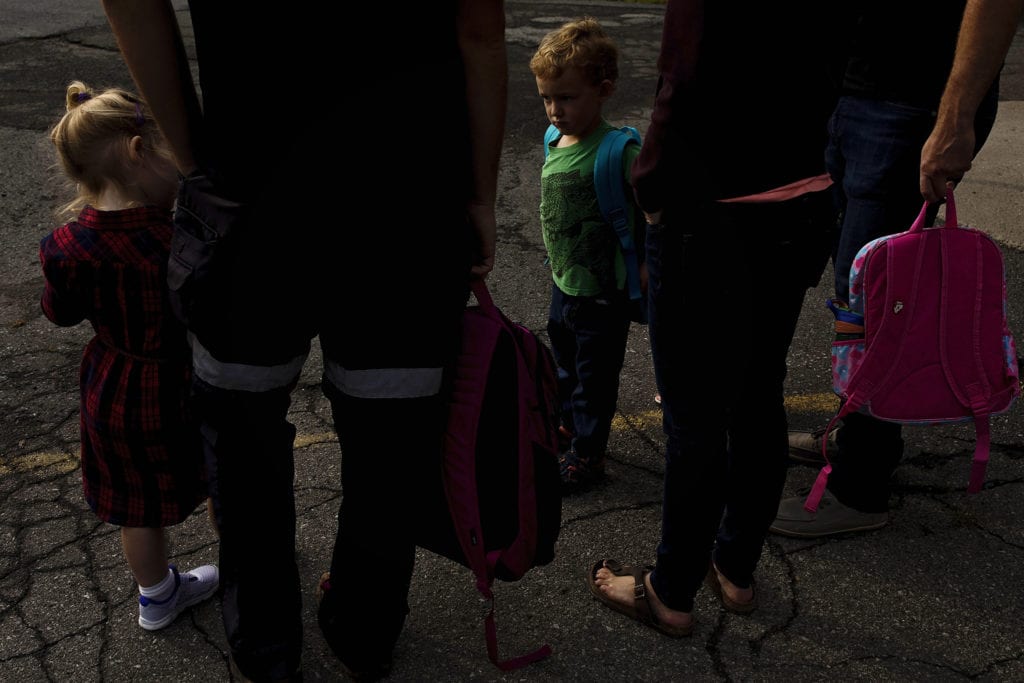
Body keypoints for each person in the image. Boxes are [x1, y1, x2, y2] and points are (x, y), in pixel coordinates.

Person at [99, 2, 507, 681]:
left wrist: (199, 157)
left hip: (251, 192)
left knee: (243, 448)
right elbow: (479, 30)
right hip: (405, 195)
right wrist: (481, 194)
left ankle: (264, 647)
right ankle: (364, 630)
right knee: (389, 446)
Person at [586, 0, 841, 634]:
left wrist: (650, 189)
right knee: (758, 391)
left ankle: (669, 589)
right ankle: (735, 566)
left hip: (713, 210)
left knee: (695, 415)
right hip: (800, 197)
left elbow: (686, 78)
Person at [773, 0, 1023, 539]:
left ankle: (860, 487)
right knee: (852, 289)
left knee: (878, 300)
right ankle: (855, 436)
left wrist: (954, 119)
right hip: (857, 95)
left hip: (909, 106)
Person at [39, 80, 218, 633]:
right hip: (182, 383)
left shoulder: (65, 245)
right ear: (139, 153)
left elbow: (60, 314)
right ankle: (248, 570)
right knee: (220, 476)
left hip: (113, 386)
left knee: (134, 503)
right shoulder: (175, 237)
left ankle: (156, 596)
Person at [529, 17, 647, 494]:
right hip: (565, 282)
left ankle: (588, 455)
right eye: (546, 98)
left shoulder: (620, 150)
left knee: (594, 379)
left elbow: (651, 212)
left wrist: (643, 263)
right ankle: (567, 427)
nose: (555, 110)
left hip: (605, 291)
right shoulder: (552, 140)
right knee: (564, 365)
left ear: (603, 90)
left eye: (567, 97)